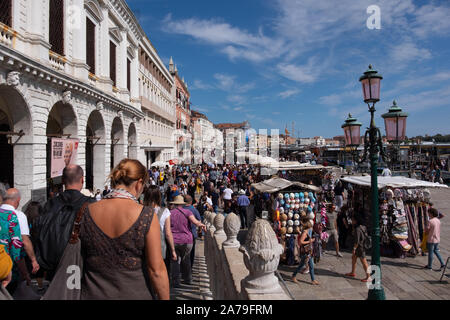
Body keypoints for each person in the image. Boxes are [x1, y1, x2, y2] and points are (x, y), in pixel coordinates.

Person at [79, 159, 169, 299]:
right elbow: (156, 270)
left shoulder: (87, 211)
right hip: (135, 293)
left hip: (93, 293)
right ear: (139, 183)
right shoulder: (147, 215)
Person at [1, 189, 40, 286]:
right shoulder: (17, 216)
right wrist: (33, 261)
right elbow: (23, 242)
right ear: (18, 200)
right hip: (8, 269)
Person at [169, 195, 206, 287]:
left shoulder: (169, 213)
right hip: (187, 240)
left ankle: (175, 281)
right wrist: (202, 225)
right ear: (182, 204)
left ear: (174, 204)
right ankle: (188, 279)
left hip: (174, 240)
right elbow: (195, 222)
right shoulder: (188, 212)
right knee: (186, 260)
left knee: (175, 261)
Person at [143, 185, 177, 275]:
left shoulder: (141, 210)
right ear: (159, 196)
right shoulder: (165, 211)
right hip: (160, 247)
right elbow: (168, 233)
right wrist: (173, 250)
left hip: (144, 246)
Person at [291, 219, 319, 285]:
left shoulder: (308, 231)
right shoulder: (305, 232)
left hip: (309, 251)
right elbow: (300, 242)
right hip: (305, 252)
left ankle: (313, 280)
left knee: (310, 266)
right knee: (302, 265)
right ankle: (293, 276)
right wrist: (310, 241)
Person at [345, 212, 371, 282]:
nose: (352, 221)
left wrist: (354, 249)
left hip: (360, 248)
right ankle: (352, 272)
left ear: (356, 220)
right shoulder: (363, 226)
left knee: (364, 262)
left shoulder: (357, 230)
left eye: (353, 220)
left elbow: (357, 241)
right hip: (361, 246)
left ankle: (368, 277)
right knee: (353, 258)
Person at [183, 195, 202, 269]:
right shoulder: (194, 210)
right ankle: (190, 269)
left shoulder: (180, 209)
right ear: (191, 202)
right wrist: (200, 231)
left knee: (182, 253)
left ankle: (183, 268)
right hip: (192, 234)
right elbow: (199, 221)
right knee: (191, 253)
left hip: (181, 235)